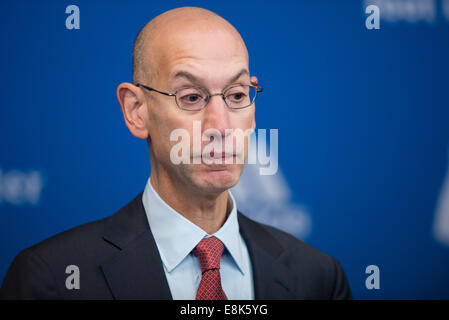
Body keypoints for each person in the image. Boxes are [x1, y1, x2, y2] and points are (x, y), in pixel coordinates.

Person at [0, 7, 352, 300]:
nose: (221, 125)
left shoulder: (318, 278)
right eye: (191, 97)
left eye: (237, 94)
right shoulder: (50, 279)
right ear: (137, 110)